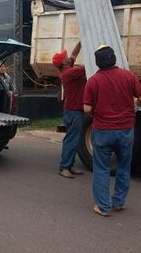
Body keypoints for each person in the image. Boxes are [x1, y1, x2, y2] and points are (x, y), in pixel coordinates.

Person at [83, 45, 141, 217]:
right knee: (124, 167)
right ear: (114, 59)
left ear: (97, 63)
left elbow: (87, 109)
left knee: (102, 168)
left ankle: (103, 206)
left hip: (103, 130)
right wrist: (134, 106)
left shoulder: (93, 81)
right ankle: (119, 202)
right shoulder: (128, 76)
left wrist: (98, 111)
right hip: (125, 130)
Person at [52, 42, 86, 179]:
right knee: (71, 140)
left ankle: (69, 166)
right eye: (65, 57)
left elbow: (74, 53)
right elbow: (88, 66)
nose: (68, 57)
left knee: (74, 139)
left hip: (74, 110)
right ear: (63, 63)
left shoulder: (67, 69)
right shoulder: (70, 73)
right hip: (74, 111)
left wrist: (81, 41)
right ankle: (64, 167)